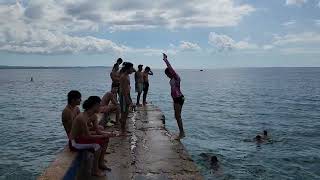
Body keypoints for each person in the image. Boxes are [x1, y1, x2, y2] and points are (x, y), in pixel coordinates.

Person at [69, 96, 117, 176]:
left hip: (82, 138)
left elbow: (98, 131)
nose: (101, 107)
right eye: (99, 105)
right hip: (75, 142)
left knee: (105, 139)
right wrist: (103, 135)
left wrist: (108, 134)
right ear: (94, 105)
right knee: (97, 146)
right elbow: (87, 136)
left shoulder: (93, 116)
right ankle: (95, 170)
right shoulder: (81, 117)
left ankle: (100, 163)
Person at [162, 53, 185, 138]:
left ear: (170, 73)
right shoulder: (172, 78)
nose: (167, 76)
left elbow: (170, 68)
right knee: (177, 116)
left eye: (167, 74)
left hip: (178, 98)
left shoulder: (176, 77)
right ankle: (181, 132)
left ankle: (182, 133)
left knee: (178, 116)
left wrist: (165, 60)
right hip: (177, 98)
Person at [119, 62, 135, 134]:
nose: (132, 69)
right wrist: (128, 100)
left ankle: (123, 128)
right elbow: (124, 91)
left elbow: (132, 70)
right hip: (124, 96)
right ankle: (122, 131)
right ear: (128, 69)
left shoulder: (127, 75)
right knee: (124, 114)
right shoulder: (124, 77)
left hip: (127, 95)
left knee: (126, 113)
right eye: (131, 68)